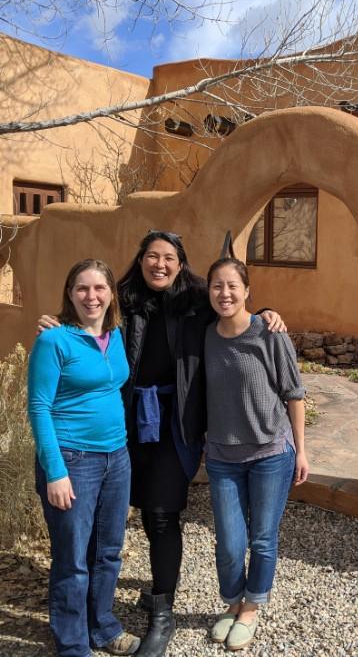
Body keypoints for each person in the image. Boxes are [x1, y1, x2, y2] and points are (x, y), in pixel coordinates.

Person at [40, 231, 285, 657]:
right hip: (126, 423)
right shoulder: (124, 299)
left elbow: (231, 309)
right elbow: (86, 323)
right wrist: (54, 326)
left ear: (180, 262)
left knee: (161, 514)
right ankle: (88, 618)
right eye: (152, 256)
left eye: (169, 257)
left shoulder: (194, 301)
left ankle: (163, 610)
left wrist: (264, 312)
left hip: (176, 423)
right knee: (103, 525)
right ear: (141, 260)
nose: (160, 264)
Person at [28, 259, 139, 657]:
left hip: (116, 457)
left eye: (99, 288)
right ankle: (73, 644)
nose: (91, 296)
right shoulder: (54, 340)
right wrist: (55, 470)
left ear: (111, 294)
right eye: (82, 288)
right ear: (69, 294)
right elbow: (39, 407)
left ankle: (102, 626)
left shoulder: (116, 335)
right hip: (72, 460)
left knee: (107, 550)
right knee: (73, 558)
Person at [203, 257, 309, 652]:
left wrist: (301, 450)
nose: (224, 293)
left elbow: (294, 394)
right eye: (217, 285)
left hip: (271, 453)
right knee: (230, 542)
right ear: (208, 291)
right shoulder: (206, 335)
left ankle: (251, 607)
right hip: (221, 456)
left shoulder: (269, 332)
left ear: (247, 290)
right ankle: (231, 603)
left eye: (232, 285)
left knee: (263, 538)